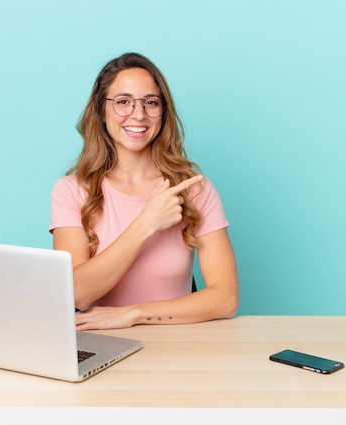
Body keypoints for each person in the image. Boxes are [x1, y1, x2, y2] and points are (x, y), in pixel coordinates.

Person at [49, 52, 238, 331]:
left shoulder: (194, 189)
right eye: (123, 102)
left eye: (151, 102)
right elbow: (77, 293)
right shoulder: (71, 191)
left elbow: (226, 299)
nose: (138, 114)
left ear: (163, 112)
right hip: (100, 344)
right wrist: (146, 223)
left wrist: (133, 314)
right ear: (101, 110)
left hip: (178, 346)